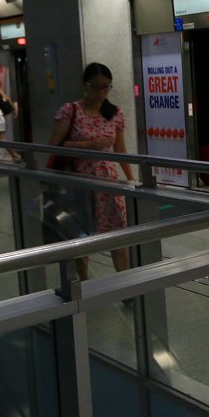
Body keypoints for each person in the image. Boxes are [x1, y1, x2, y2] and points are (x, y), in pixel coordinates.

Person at [47, 63, 134, 281]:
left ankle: (126, 285)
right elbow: (52, 145)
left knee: (117, 236)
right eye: (96, 87)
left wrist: (131, 179)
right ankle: (85, 283)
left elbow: (120, 149)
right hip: (78, 181)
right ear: (84, 85)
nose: (101, 92)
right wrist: (86, 145)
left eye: (106, 87)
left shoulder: (115, 113)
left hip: (109, 182)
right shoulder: (70, 111)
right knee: (81, 235)